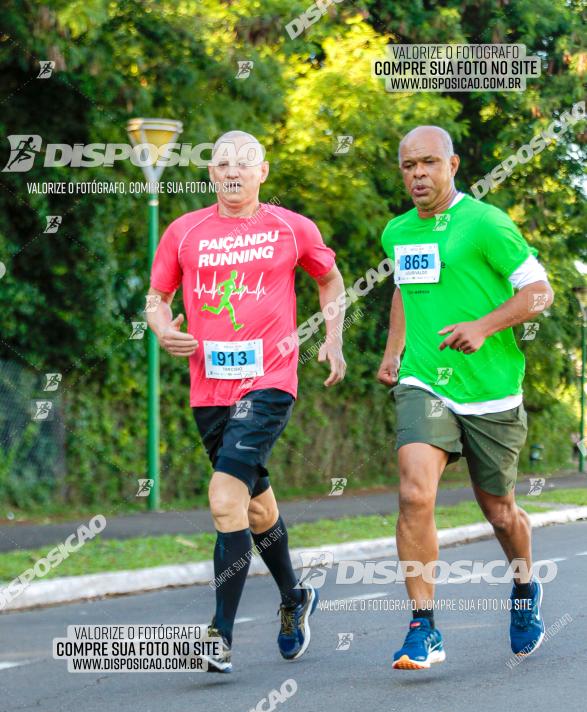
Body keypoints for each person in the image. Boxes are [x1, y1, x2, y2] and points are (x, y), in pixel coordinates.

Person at [146, 130, 346, 672]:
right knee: (254, 505)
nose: (233, 170)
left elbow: (330, 281)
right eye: (222, 163)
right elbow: (156, 298)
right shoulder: (185, 233)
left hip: (270, 380)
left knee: (222, 498)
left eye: (245, 162)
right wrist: (163, 330)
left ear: (263, 172)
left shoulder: (291, 227)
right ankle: (294, 597)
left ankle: (220, 635)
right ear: (211, 173)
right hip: (207, 388)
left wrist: (332, 337)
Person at [377, 125, 554, 670]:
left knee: (499, 511)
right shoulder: (398, 232)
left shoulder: (486, 224)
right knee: (413, 492)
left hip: (491, 389)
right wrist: (394, 353)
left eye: (429, 163)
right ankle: (422, 627)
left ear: (453, 166)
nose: (418, 175)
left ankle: (524, 589)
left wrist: (484, 325)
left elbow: (540, 291)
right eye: (409, 166)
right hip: (426, 380)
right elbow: (408, 291)